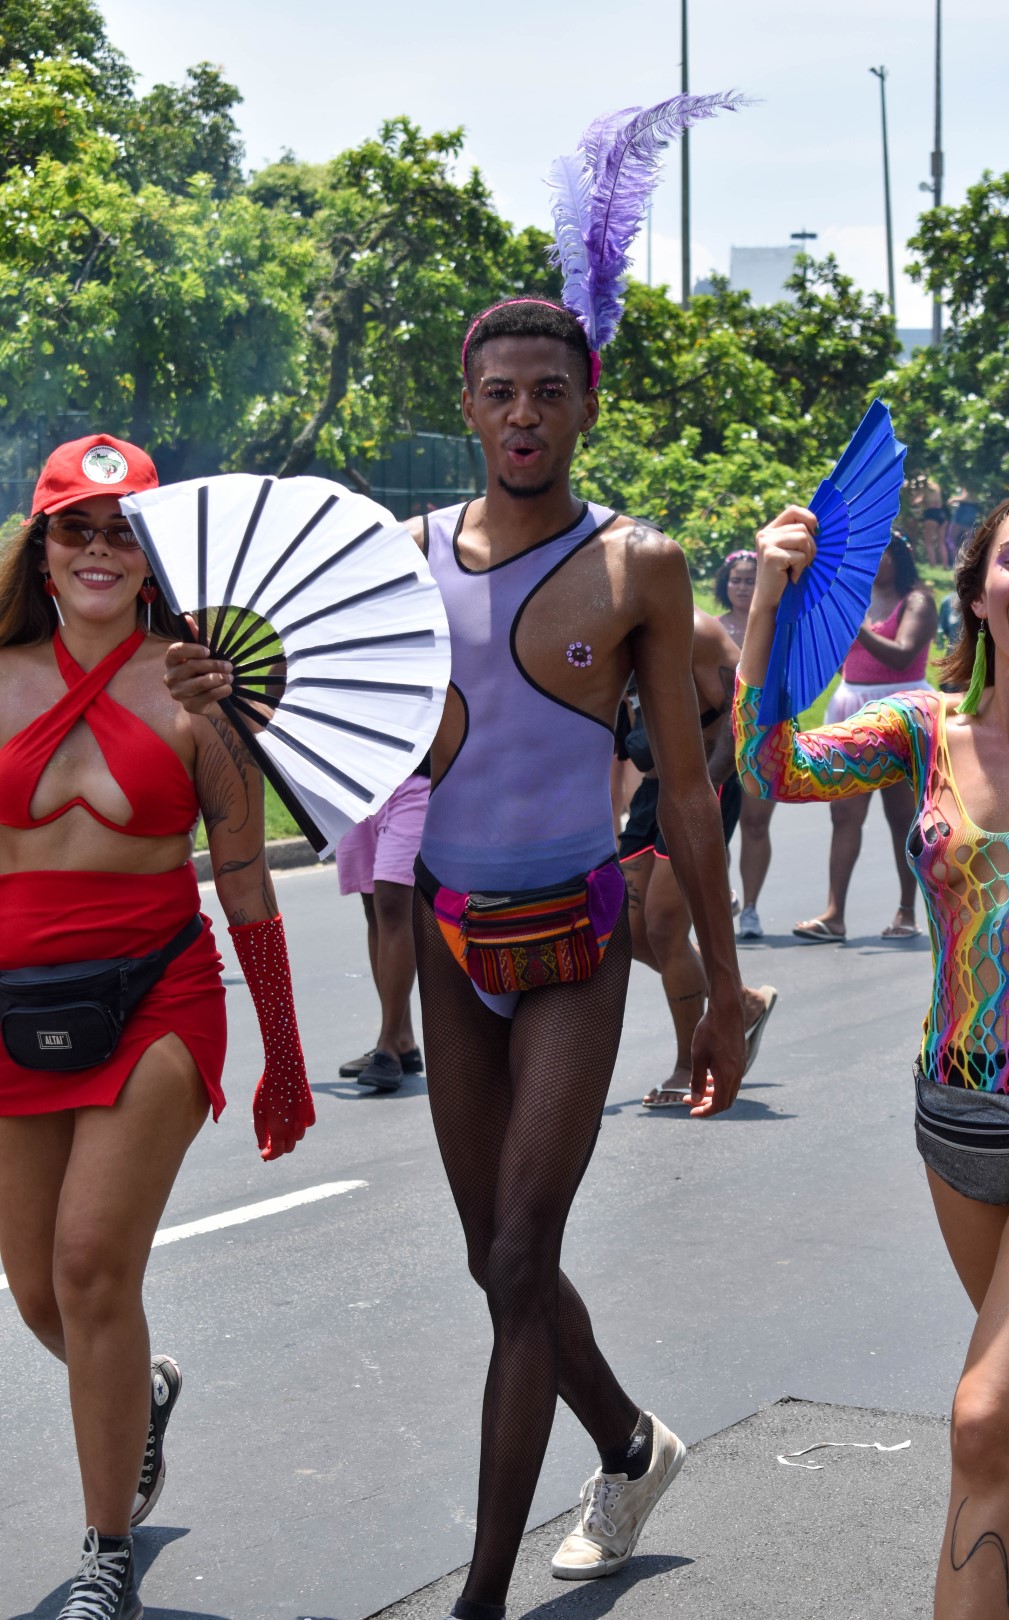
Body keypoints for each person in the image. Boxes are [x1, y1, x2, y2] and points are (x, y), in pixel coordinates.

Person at [166, 297, 746, 1620]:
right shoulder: (403, 556)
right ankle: (626, 1443)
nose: (525, 414)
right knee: (501, 1261)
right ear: (470, 401)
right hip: (449, 934)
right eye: (500, 392)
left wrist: (712, 992)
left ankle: (480, 1597)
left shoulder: (638, 565)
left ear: (588, 399)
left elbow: (691, 791)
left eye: (550, 390)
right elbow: (321, 735)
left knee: (524, 1245)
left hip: (581, 934)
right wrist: (220, 699)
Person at [736, 479, 1009, 1619]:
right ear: (976, 591)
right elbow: (774, 766)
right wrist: (770, 604)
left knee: (987, 1418)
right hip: (956, 1119)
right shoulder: (921, 730)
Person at [0, 434, 315, 1620]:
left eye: (122, 528)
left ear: (152, 555)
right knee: (37, 1292)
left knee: (91, 1265)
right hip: (11, 1004)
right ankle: (145, 1389)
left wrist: (283, 1053)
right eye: (75, 525)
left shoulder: (200, 696)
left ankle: (102, 1552)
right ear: (42, 548)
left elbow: (243, 884)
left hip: (160, 996)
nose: (98, 547)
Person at [618, 599, 777, 1106]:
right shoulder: (605, 632)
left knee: (665, 928)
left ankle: (690, 1063)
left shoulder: (694, 632)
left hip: (701, 785)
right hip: (649, 793)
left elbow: (743, 714)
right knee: (631, 933)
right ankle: (745, 1001)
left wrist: (704, 786)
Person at [792, 536, 936, 941]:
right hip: (853, 706)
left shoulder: (917, 601)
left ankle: (907, 913)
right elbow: (842, 661)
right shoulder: (853, 599)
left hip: (902, 709)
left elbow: (902, 654)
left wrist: (855, 626)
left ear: (899, 557)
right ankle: (834, 914)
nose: (873, 560)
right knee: (844, 815)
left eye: (881, 553)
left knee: (902, 817)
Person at [336, 761, 430, 1091]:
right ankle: (403, 1040)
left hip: (416, 774)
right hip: (357, 778)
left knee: (393, 903)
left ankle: (387, 1045)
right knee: (372, 904)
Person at [715, 548, 775, 938]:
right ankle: (723, 899)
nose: (741, 586)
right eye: (735, 579)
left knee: (755, 825)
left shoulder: (776, 626)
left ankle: (751, 908)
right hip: (716, 742)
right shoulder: (710, 627)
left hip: (764, 735)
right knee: (715, 828)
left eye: (750, 580)